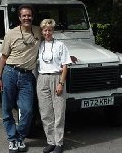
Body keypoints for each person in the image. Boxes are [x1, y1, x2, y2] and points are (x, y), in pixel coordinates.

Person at [0, 4, 41, 153]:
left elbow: (51, 39)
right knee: (7, 108)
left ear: (32, 17)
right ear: (20, 18)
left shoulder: (38, 31)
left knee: (27, 110)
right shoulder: (11, 33)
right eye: (24, 16)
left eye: (29, 15)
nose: (27, 18)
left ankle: (20, 137)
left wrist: (67, 56)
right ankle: (12, 139)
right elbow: (3, 57)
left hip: (27, 76)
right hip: (10, 73)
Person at [37, 19, 72, 153]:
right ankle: (50, 141)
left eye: (50, 30)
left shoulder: (60, 45)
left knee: (59, 112)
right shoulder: (39, 45)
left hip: (57, 77)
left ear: (53, 31)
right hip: (42, 78)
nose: (47, 33)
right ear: (42, 31)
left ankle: (59, 143)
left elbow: (65, 66)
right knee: (46, 113)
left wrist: (61, 83)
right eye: (45, 30)